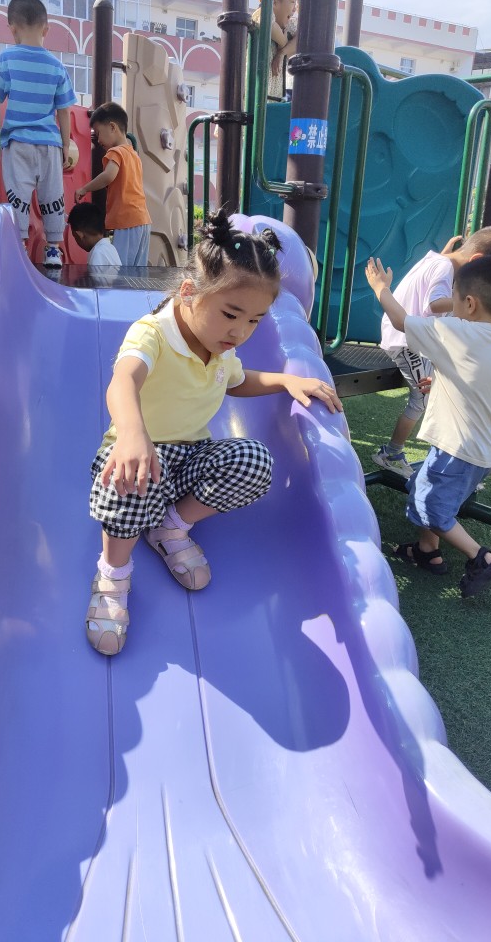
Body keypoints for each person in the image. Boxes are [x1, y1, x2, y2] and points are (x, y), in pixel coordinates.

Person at [85, 210, 342, 655]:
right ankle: (112, 576)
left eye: (254, 321)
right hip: (136, 457)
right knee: (132, 477)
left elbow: (236, 381)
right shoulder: (153, 334)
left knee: (254, 462)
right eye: (231, 314)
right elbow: (123, 380)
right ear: (189, 293)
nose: (240, 331)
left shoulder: (219, 346)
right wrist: (132, 434)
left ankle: (170, 528)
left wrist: (285, 380)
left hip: (188, 460)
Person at [366, 254, 491, 599]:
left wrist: (381, 288)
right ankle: (428, 551)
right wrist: (442, 381)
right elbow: (482, 380)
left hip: (457, 449)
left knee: (428, 507)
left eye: (452, 298)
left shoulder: (457, 331)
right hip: (484, 450)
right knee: (424, 485)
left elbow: (400, 321)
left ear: (469, 303)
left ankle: (481, 557)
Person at [373, 226, 491, 478]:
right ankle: (391, 453)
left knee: (441, 387)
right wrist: (478, 301)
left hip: (418, 339)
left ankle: (446, 458)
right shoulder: (444, 267)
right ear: (477, 260)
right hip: (405, 341)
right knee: (422, 399)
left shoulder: (440, 261)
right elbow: (434, 303)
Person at [0, 0, 76, 268]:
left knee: (18, 194)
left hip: (17, 141)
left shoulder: (6, 59)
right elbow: (64, 110)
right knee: (52, 195)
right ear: (46, 29)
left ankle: (19, 244)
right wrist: (66, 145)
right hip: (49, 143)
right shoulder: (56, 66)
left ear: (13, 29)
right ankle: (53, 249)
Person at [74, 103, 152, 266]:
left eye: (98, 133)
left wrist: (85, 188)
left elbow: (108, 176)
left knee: (120, 269)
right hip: (143, 220)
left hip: (126, 220)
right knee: (138, 271)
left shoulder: (116, 152)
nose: (98, 140)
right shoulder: (133, 154)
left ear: (112, 127)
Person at [251, 0, 298, 102]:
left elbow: (302, 37)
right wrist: (284, 43)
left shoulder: (287, 26)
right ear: (274, 2)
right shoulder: (262, 15)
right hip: (254, 103)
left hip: (273, 102)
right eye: (292, 1)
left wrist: (282, 52)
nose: (295, 8)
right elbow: (267, 23)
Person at [67, 202, 121, 267]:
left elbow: (95, 274)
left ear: (79, 235)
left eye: (75, 237)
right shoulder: (110, 248)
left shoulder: (97, 253)